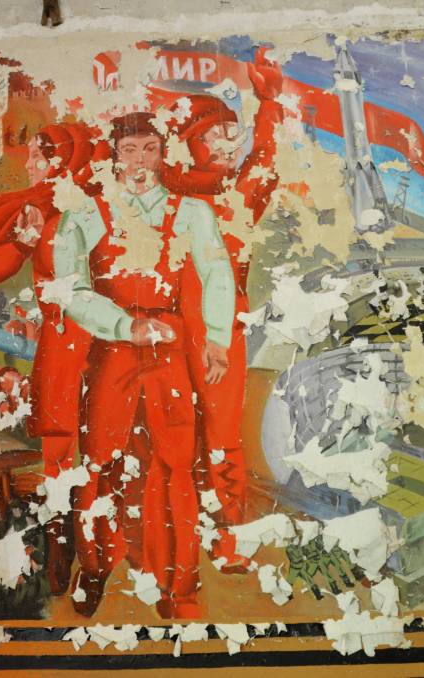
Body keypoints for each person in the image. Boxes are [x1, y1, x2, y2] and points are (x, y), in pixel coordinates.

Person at [53, 112, 235, 619]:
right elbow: (70, 287)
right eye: (129, 150)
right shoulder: (85, 212)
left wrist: (217, 338)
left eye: (149, 149)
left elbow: (217, 271)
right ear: (114, 155)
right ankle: (93, 569)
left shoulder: (192, 212)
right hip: (112, 351)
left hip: (168, 351)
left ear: (162, 153)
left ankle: (180, 588)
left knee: (176, 465)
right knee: (99, 462)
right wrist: (122, 325)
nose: (139, 161)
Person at [0, 123, 105, 596]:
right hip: (53, 336)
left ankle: (88, 556)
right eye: (32, 153)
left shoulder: (94, 207)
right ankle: (59, 551)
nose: (32, 164)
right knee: (57, 449)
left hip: (96, 337)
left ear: (68, 161)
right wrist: (20, 245)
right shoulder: (37, 206)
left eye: (43, 155)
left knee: (93, 452)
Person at [152, 49, 286, 573]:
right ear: (190, 143)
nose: (231, 144)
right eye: (216, 135)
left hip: (223, 327)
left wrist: (269, 102)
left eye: (234, 133)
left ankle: (227, 531)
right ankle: (175, 533)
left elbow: (266, 154)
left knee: (222, 434)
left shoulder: (239, 195)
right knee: (169, 432)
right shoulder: (160, 196)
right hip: (164, 326)